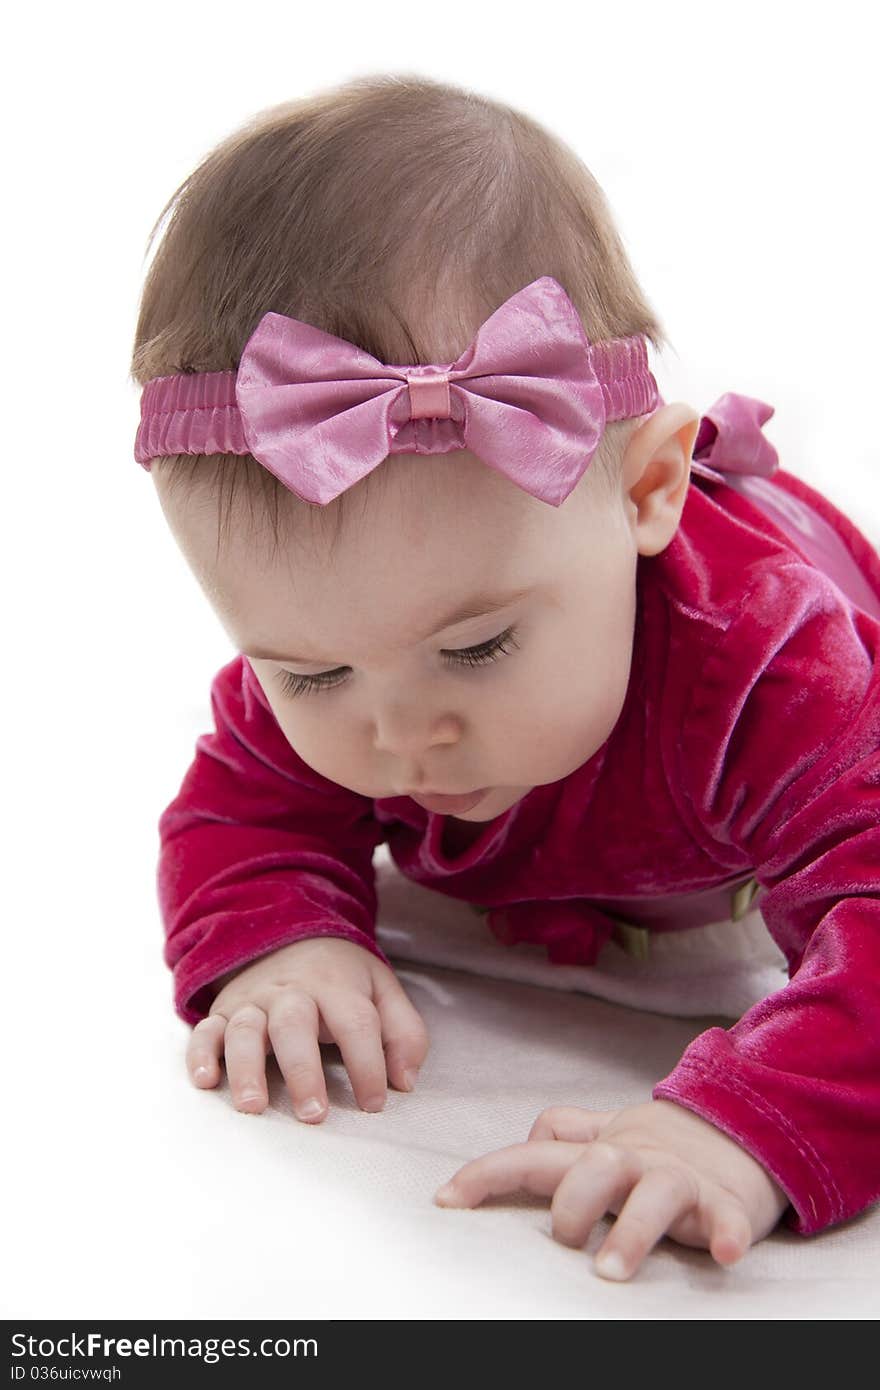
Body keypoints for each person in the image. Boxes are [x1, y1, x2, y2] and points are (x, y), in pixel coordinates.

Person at [129, 73, 880, 1283]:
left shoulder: (772, 663)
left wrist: (745, 1121)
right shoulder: (359, 658)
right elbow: (238, 808)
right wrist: (276, 938)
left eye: (474, 648)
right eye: (310, 671)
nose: (397, 732)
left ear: (645, 493)